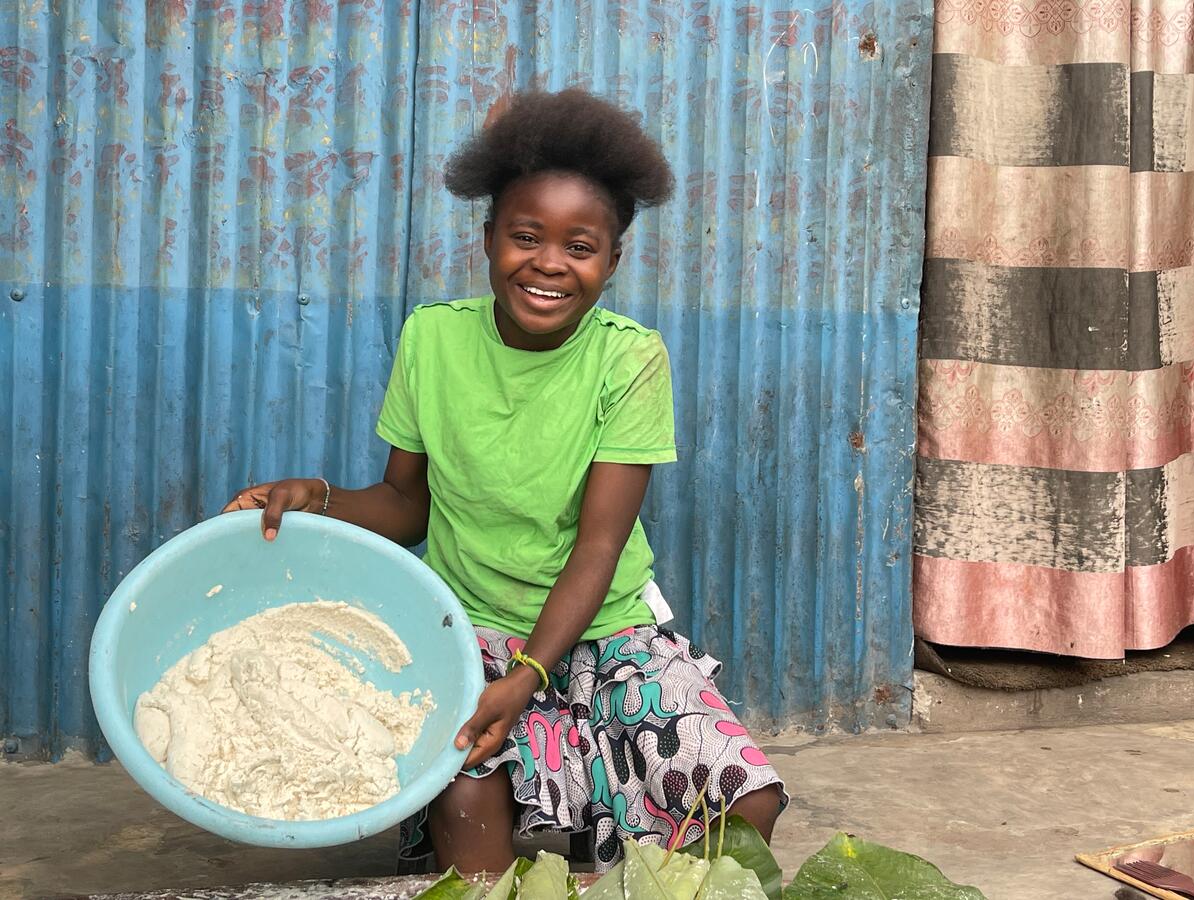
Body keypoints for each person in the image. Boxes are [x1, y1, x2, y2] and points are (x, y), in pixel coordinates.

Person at [223, 88, 786, 873]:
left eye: (580, 246)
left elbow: (597, 548)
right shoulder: (433, 340)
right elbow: (404, 506)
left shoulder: (628, 359)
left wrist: (531, 676)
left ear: (612, 260)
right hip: (471, 627)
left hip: (603, 627)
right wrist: (314, 500)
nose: (549, 263)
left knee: (740, 804)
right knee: (467, 802)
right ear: (488, 240)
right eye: (527, 236)